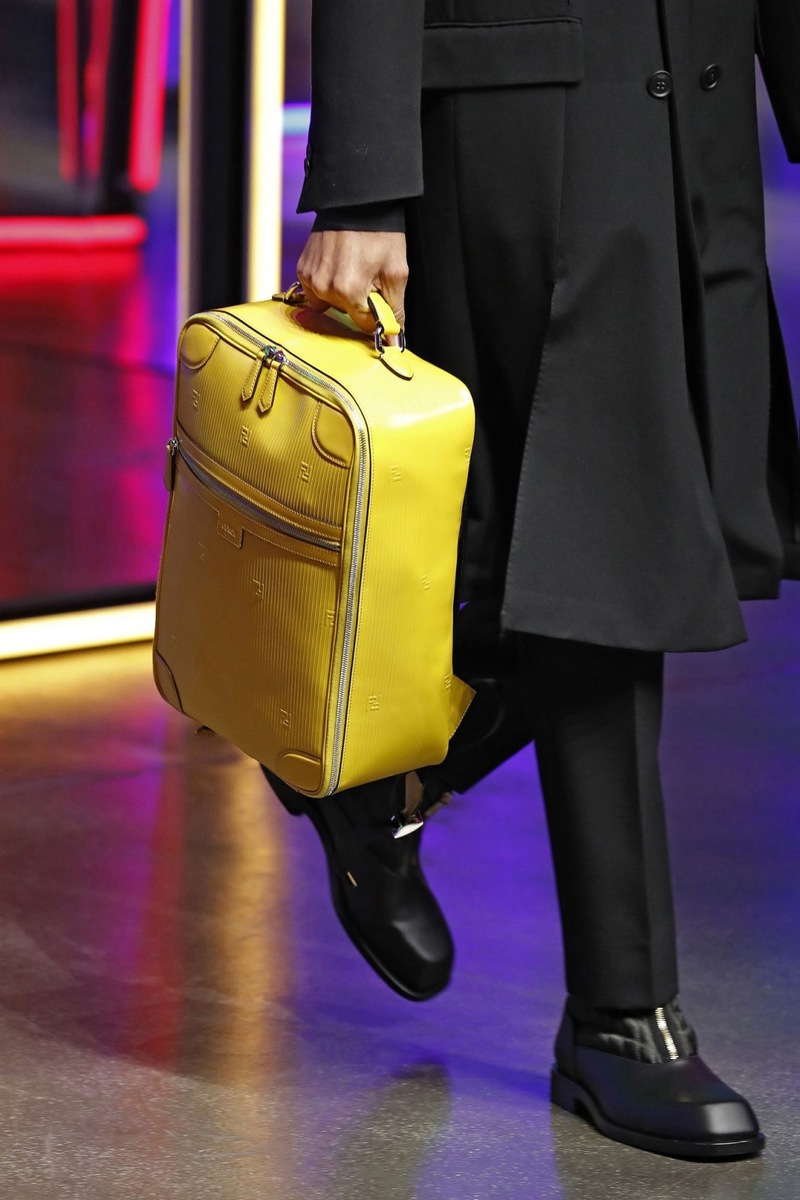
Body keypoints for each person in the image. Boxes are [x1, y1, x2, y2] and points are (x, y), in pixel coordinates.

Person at [263, 0, 800, 1161]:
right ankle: (620, 1013)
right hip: (519, 95)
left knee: (677, 526)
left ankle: (383, 782)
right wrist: (363, 184)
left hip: (697, 81)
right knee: (602, 549)